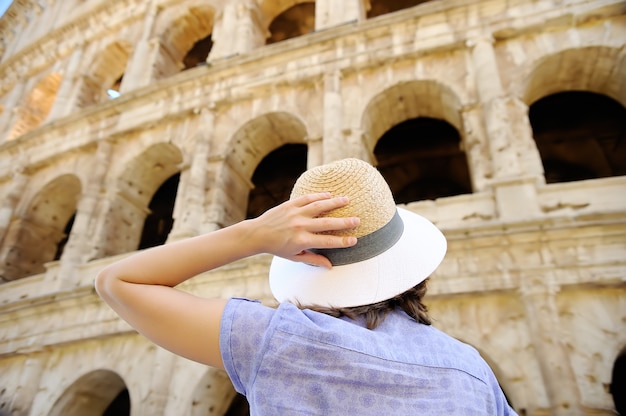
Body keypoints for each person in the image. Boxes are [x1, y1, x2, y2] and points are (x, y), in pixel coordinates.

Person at [96, 158, 517, 415]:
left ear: (306, 262)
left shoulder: (276, 342)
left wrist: (254, 234)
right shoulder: (471, 369)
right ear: (412, 269)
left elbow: (117, 281)